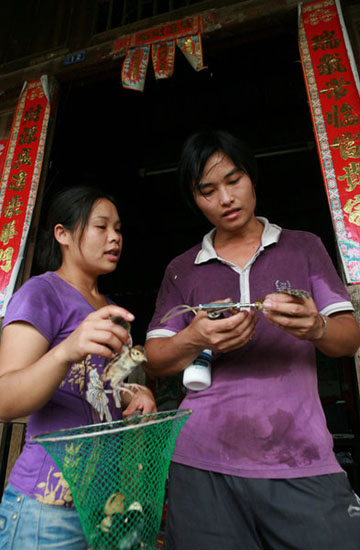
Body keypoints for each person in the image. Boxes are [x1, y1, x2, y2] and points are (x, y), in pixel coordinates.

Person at [144, 129, 360, 550]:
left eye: (234, 180)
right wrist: (195, 336)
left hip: (300, 455)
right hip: (201, 458)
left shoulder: (304, 247)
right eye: (208, 191)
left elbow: (349, 340)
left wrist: (316, 328)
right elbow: (155, 359)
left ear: (252, 178)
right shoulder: (182, 269)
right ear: (195, 200)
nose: (225, 198)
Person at [0, 185, 156, 549]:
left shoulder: (111, 308)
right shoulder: (42, 293)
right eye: (101, 227)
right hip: (48, 508)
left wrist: (136, 392)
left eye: (118, 228)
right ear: (63, 234)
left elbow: (95, 388)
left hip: (103, 508)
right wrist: (64, 351)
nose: (114, 237)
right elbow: (5, 400)